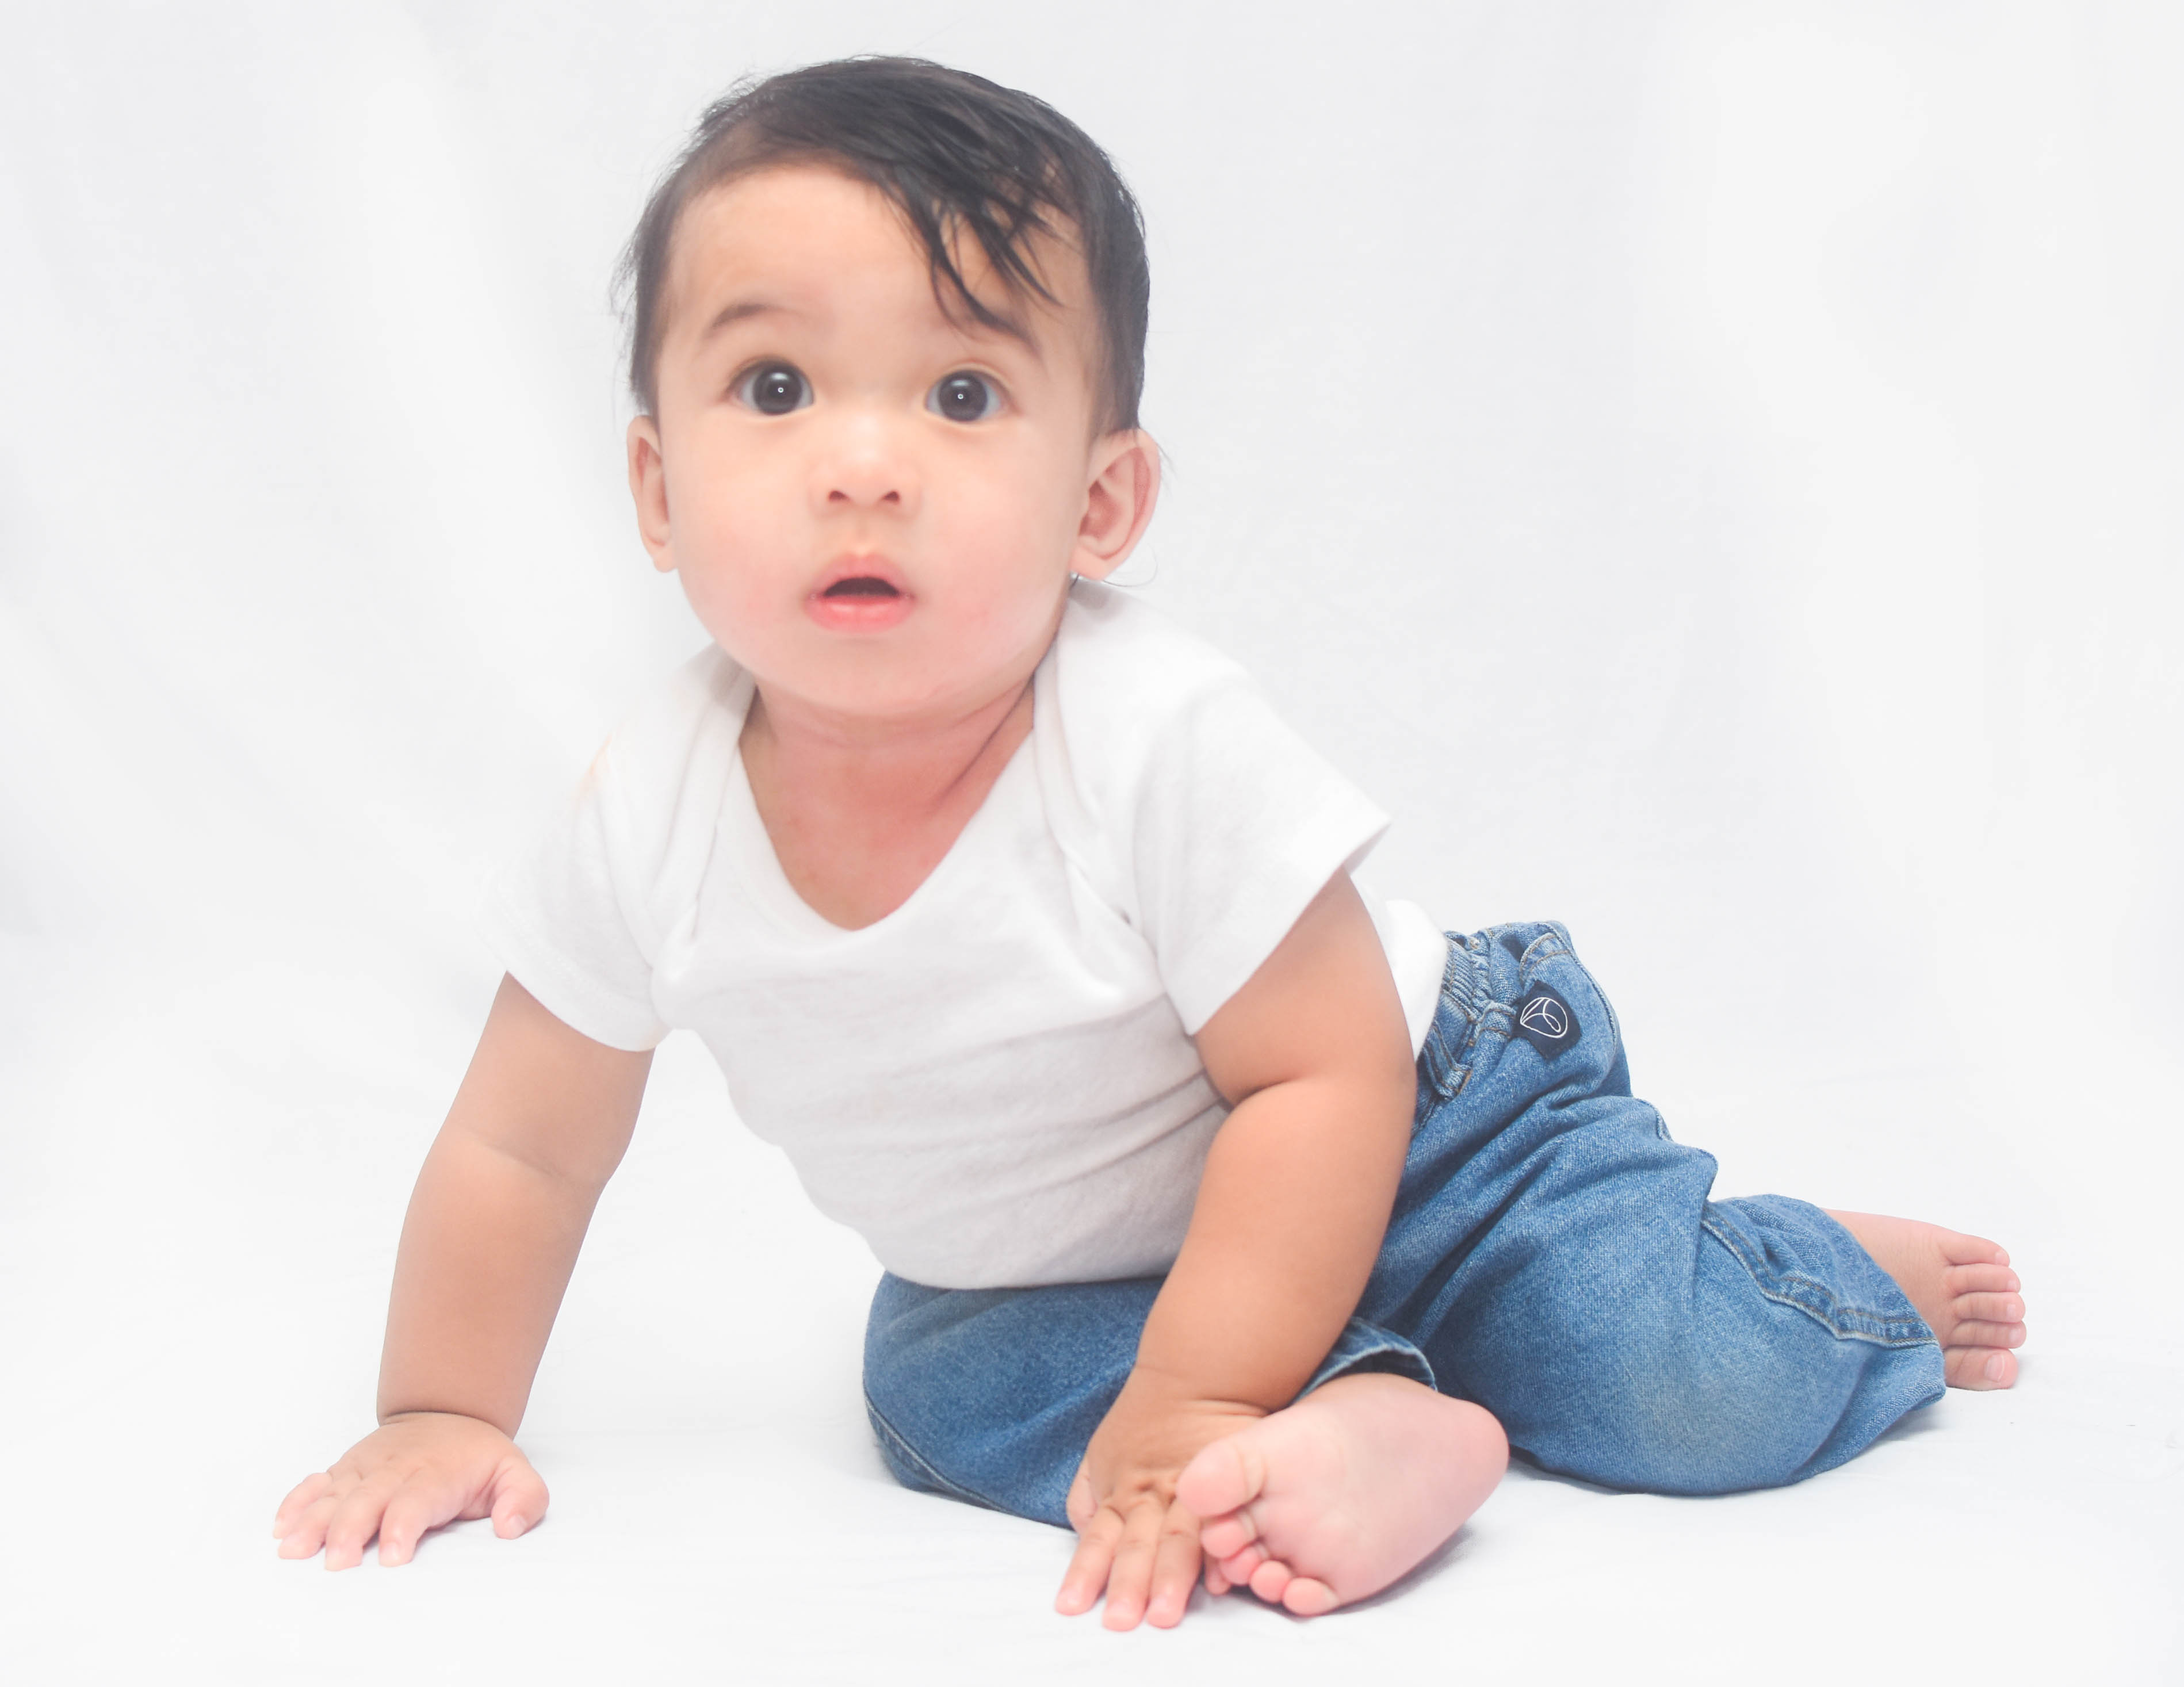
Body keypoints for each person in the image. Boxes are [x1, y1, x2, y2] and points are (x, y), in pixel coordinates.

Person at [270, 57, 2028, 1630]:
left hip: (1431, 1131)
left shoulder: (1149, 739)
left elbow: (1321, 1074)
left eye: (963, 396)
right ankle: (1361, 1419)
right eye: (779, 384)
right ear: (658, 490)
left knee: (1672, 1385)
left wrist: (1190, 1400)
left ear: (1099, 502)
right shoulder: (647, 813)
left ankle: (1798, 1279)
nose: (863, 466)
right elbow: (520, 1147)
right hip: (1080, 1266)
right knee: (940, 1394)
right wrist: (442, 1407)